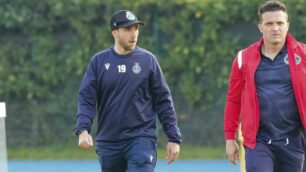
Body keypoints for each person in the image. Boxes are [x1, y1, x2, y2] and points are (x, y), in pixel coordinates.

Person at [75, 10, 182, 172]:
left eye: (136, 29)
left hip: (141, 139)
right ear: (115, 33)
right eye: (127, 29)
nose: (133, 34)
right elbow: (87, 98)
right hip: (109, 142)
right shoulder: (98, 62)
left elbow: (163, 100)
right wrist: (83, 130)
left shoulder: (148, 61)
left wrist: (174, 137)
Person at [224, 1, 306, 171]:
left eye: (280, 23)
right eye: (269, 23)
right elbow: (234, 99)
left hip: (294, 143)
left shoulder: (303, 55)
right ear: (260, 27)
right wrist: (230, 137)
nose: (275, 28)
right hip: (258, 143)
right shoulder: (242, 58)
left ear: (287, 25)